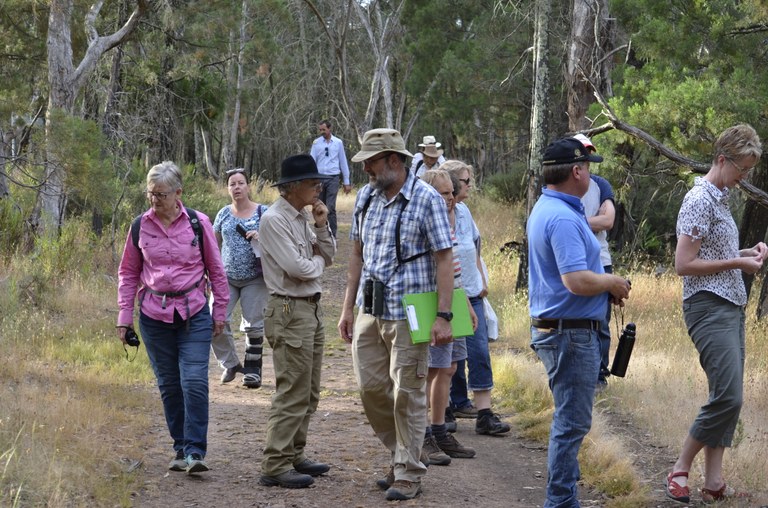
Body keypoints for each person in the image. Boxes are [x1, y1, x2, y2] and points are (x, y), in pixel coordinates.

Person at [338, 128, 455, 501]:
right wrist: (347, 307)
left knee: (408, 392)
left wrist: (443, 316)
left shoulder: (426, 199)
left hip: (410, 312)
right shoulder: (365, 199)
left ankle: (407, 471)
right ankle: (401, 452)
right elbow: (356, 255)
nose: (366, 170)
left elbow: (444, 258)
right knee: (371, 389)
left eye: (371, 162)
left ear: (393, 160)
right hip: (370, 311)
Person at [664, 124, 765, 505]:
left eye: (748, 171)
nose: (743, 178)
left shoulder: (719, 198)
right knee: (728, 395)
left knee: (728, 396)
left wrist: (746, 253)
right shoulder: (699, 199)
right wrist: (737, 262)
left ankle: (714, 481)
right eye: (741, 169)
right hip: (707, 306)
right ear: (722, 160)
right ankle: (679, 468)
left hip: (729, 304)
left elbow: (715, 254)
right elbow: (684, 264)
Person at [528, 138, 631, 508]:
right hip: (569, 333)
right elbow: (576, 280)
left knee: (570, 422)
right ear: (576, 171)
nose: (591, 172)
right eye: (588, 166)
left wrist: (604, 289)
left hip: (562, 328)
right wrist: (612, 283)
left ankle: (564, 496)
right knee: (571, 425)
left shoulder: (551, 208)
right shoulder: (563, 217)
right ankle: (560, 502)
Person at [117, 161, 229, 474]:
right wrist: (124, 318)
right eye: (150, 194)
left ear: (178, 192)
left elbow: (216, 270)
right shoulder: (140, 225)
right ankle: (180, 448)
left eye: (161, 194)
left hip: (193, 313)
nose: (155, 200)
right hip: (153, 317)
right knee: (169, 385)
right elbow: (128, 272)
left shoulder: (198, 222)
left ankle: (195, 451)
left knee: (193, 381)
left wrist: (219, 311)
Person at [258, 154, 337, 489]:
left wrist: (321, 225)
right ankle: (275, 464)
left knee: (310, 390)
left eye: (318, 181)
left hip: (309, 309)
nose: (318, 187)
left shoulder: (302, 217)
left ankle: (293, 454)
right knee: (292, 390)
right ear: (292, 187)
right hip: (289, 310)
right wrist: (316, 264)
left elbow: (329, 254)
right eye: (311, 182)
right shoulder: (275, 220)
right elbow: (299, 269)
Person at [442, 160, 512, 436]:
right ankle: (446, 408)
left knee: (480, 352)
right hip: (446, 296)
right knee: (448, 358)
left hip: (471, 294)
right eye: (465, 180)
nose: (469, 185)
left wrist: (482, 279)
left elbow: (475, 246)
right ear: (450, 184)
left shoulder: (464, 212)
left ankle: (484, 413)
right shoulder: (433, 213)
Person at [420, 169, 478, 466]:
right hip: (431, 303)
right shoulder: (426, 221)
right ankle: (423, 434)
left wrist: (465, 302)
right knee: (430, 369)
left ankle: (440, 429)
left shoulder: (451, 222)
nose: (451, 198)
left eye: (451, 192)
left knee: (449, 367)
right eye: (444, 193)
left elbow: (454, 271)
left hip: (453, 300)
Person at [211, 168, 269, 388]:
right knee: (213, 320)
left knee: (254, 325)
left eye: (240, 183)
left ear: (248, 186)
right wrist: (209, 275)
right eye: (232, 184)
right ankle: (231, 363)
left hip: (255, 277)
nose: (236, 187)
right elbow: (213, 245)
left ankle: (253, 371)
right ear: (228, 189)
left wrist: (262, 236)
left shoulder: (264, 212)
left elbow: (279, 240)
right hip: (226, 277)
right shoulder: (223, 214)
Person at [573, 133, 616, 390]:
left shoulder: (601, 184)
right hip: (574, 259)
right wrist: (591, 222)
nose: (588, 161)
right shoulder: (563, 186)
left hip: (601, 259)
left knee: (602, 320)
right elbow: (566, 223)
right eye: (584, 155)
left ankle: (599, 375)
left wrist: (577, 223)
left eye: (590, 156)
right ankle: (580, 372)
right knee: (577, 318)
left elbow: (608, 221)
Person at [309, 119, 351, 237]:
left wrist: (346, 181)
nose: (322, 131)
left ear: (329, 129)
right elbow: (312, 160)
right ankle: (321, 232)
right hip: (319, 178)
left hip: (333, 177)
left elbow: (343, 161)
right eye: (320, 130)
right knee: (319, 206)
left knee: (330, 207)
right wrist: (311, 178)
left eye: (324, 129)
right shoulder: (316, 143)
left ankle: (332, 233)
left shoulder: (338, 143)